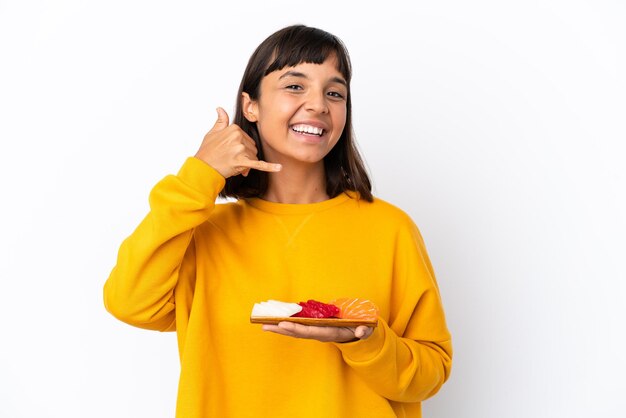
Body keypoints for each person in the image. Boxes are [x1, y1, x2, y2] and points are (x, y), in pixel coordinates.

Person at [104, 24, 452, 418]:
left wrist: (367, 340)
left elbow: (431, 372)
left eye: (334, 93)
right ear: (250, 105)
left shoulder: (391, 229)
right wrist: (200, 174)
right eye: (295, 86)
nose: (319, 104)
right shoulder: (203, 233)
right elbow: (129, 302)